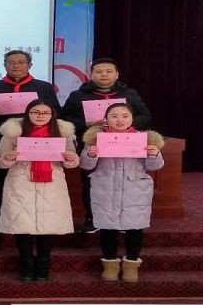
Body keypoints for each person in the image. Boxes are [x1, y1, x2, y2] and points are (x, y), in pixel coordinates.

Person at [61, 57, 151, 234]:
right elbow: (65, 119)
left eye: (109, 71)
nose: (104, 75)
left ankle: (124, 220)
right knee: (92, 182)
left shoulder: (130, 95)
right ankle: (92, 218)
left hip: (127, 146)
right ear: (91, 74)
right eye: (99, 71)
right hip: (94, 145)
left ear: (117, 75)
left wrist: (125, 123)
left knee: (124, 183)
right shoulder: (78, 95)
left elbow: (145, 117)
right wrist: (86, 124)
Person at [80, 103, 164, 284]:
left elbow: (154, 166)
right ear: (106, 119)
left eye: (125, 116)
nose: (120, 120)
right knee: (107, 228)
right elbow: (86, 165)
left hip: (134, 190)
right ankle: (110, 265)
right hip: (105, 188)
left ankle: (131, 266)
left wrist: (154, 154)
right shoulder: (96, 139)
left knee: (135, 228)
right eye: (114, 116)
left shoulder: (145, 139)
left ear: (132, 119)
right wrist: (90, 154)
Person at [0, 99, 79, 282]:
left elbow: (72, 163)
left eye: (45, 113)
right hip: (21, 183)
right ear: (28, 113)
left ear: (52, 115)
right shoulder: (12, 133)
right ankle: (26, 264)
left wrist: (71, 158)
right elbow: (0, 163)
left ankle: (43, 265)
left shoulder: (63, 133)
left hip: (52, 184)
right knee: (21, 224)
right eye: (35, 112)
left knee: (49, 225)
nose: (40, 116)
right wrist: (8, 158)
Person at [0, 50, 60, 230]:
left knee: (26, 182)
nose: (16, 66)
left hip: (36, 142)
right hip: (2, 140)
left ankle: (29, 219)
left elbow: (56, 112)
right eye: (11, 62)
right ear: (5, 65)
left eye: (21, 62)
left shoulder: (44, 87)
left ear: (30, 65)